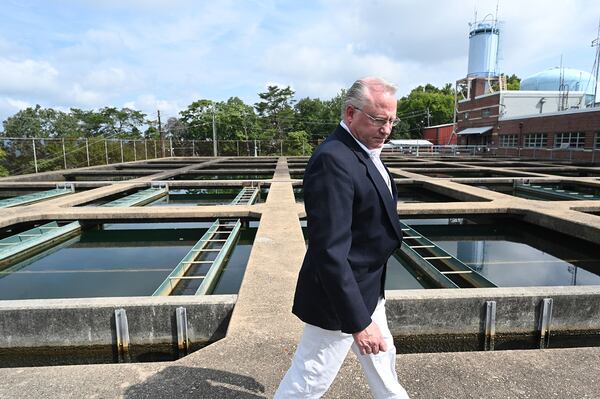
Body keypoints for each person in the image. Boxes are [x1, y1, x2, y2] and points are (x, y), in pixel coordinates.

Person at [275, 77, 410, 398]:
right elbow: (330, 251)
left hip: (367, 287)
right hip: (338, 298)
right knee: (310, 378)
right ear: (351, 113)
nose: (387, 129)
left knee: (382, 358)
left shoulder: (364, 151)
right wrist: (358, 323)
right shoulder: (334, 159)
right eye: (379, 119)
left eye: (392, 120)